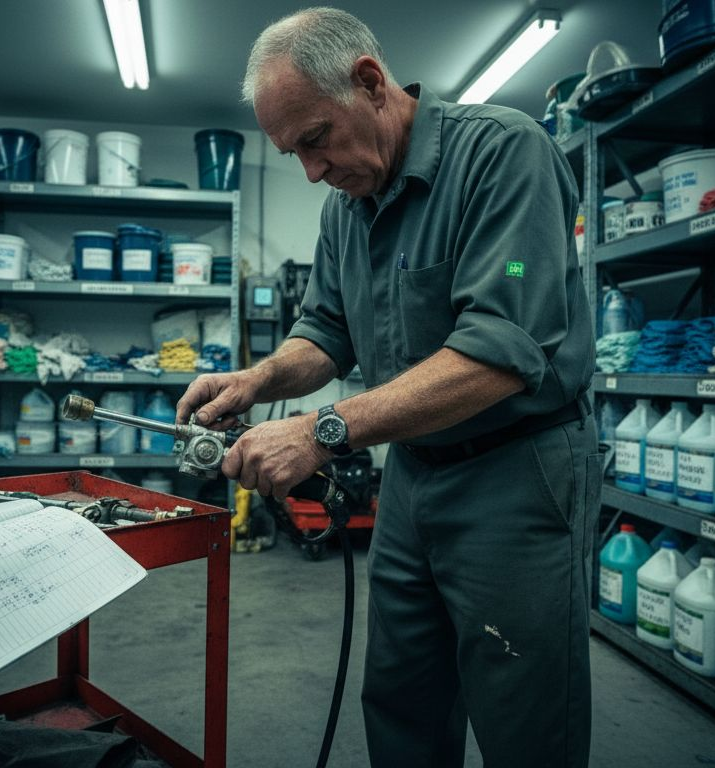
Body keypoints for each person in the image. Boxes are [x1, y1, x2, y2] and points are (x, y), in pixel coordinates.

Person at [176, 8, 600, 767]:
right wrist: (258, 378)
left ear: (370, 82)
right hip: (411, 476)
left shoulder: (504, 153)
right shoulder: (349, 207)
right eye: (291, 152)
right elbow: (326, 333)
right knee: (402, 698)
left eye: (314, 139)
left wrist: (318, 431)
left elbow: (501, 353)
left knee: (524, 714)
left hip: (516, 471)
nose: (311, 170)